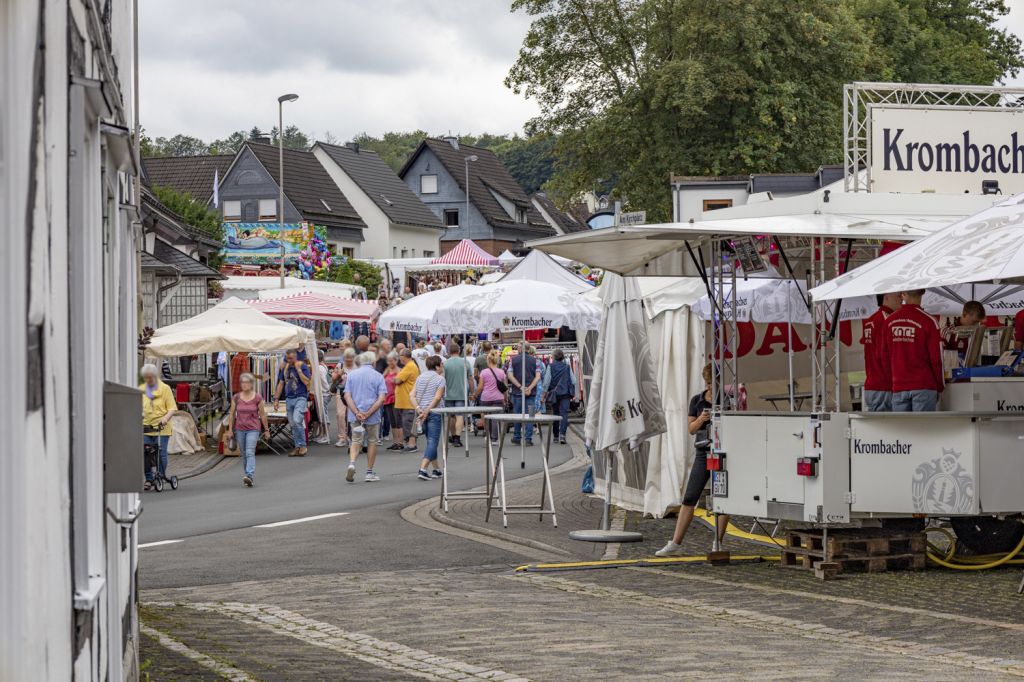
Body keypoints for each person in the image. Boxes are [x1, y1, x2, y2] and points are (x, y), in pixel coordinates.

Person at [656, 363, 731, 556]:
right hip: (702, 451)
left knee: (722, 497)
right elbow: (690, 429)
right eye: (707, 382)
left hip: (723, 452)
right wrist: (701, 420)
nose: (710, 386)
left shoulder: (727, 400)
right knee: (690, 496)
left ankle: (718, 541)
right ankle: (675, 542)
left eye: (713, 382)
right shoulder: (697, 401)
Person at [884, 289, 944, 412]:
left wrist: (892, 384)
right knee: (922, 430)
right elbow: (937, 359)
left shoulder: (889, 322)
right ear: (923, 293)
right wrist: (939, 385)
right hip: (924, 385)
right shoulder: (929, 321)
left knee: (902, 431)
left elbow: (884, 356)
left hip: (898, 386)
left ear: (903, 294)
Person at [342, 351, 388, 483]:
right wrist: (368, 412)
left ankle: (352, 463)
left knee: (356, 440)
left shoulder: (352, 375)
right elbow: (381, 398)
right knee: (372, 441)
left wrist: (356, 412)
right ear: (373, 362)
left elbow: (347, 396)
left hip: (355, 413)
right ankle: (369, 472)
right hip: (372, 414)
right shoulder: (378, 376)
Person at [227, 372, 271, 487]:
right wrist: (230, 429)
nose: (244, 385)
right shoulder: (236, 397)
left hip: (253, 428)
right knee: (244, 453)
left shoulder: (257, 397)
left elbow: (263, 414)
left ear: (251, 384)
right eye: (242, 382)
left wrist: (266, 430)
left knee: (250, 451)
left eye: (247, 382)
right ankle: (247, 475)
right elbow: (231, 414)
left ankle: (250, 475)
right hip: (240, 428)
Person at [861, 292, 901, 412]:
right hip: (884, 387)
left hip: (872, 385)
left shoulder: (870, 320)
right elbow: (885, 355)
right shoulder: (887, 320)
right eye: (898, 295)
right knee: (891, 429)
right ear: (886, 297)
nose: (901, 298)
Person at [140, 363, 177, 490]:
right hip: (146, 426)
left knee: (161, 453)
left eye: (150, 377)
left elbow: (172, 408)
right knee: (145, 453)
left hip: (162, 426)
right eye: (146, 377)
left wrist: (165, 418)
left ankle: (160, 475)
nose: (148, 380)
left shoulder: (165, 388)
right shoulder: (142, 389)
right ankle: (149, 479)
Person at [273, 349, 313, 456]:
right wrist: (276, 399)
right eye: (287, 358)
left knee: (297, 420)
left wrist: (299, 370)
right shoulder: (285, 368)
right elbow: (281, 383)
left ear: (295, 357)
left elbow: (306, 382)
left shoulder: (303, 366)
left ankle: (303, 446)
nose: (288, 360)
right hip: (289, 398)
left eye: (290, 358)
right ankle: (297, 446)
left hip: (300, 397)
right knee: (292, 424)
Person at [414, 356, 447, 480]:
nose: (443, 366)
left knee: (430, 441)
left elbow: (412, 395)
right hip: (434, 412)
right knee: (433, 441)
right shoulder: (440, 379)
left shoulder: (420, 377)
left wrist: (419, 409)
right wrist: (428, 410)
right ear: (437, 366)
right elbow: (438, 398)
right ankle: (423, 469)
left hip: (422, 412)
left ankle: (436, 469)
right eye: (441, 364)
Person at [540, 348, 577, 444]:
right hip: (565, 394)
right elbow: (574, 381)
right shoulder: (567, 367)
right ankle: (562, 435)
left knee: (555, 413)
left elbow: (546, 383)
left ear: (554, 357)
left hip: (555, 394)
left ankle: (555, 435)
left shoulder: (550, 367)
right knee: (564, 414)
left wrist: (543, 395)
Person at [508, 342, 542, 445]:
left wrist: (520, 387)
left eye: (518, 347)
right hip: (531, 393)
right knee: (530, 415)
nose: (517, 348)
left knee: (518, 415)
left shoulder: (513, 360)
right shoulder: (535, 361)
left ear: (520, 348)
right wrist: (530, 387)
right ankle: (528, 438)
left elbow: (510, 375)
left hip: (517, 392)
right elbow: (538, 376)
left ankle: (517, 437)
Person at [441, 342, 473, 448]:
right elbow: (470, 378)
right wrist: (472, 392)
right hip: (462, 393)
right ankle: (457, 438)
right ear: (459, 351)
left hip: (448, 393)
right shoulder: (465, 362)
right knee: (460, 416)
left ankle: (453, 435)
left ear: (449, 352)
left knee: (451, 416)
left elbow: (442, 379)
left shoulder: (445, 364)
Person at [473, 350, 507, 446]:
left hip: (486, 398)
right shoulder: (501, 372)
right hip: (498, 397)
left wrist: (475, 395)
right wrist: (505, 398)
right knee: (495, 418)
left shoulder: (483, 372)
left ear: (488, 361)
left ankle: (488, 436)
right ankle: (494, 439)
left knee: (487, 418)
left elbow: (480, 387)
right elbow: (505, 387)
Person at [394, 348, 421, 453]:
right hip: (406, 401)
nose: (399, 358)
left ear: (404, 357)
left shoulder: (409, 366)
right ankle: (410, 444)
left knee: (408, 423)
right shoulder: (410, 366)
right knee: (407, 423)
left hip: (408, 401)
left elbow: (397, 380)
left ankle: (412, 444)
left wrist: (396, 377)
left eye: (400, 356)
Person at [383, 351, 403, 450]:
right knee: (392, 421)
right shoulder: (387, 370)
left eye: (392, 361)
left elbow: (400, 382)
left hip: (397, 398)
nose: (390, 363)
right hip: (388, 398)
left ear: (396, 360)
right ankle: (395, 441)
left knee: (398, 420)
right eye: (389, 361)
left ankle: (400, 442)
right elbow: (381, 379)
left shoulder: (399, 370)